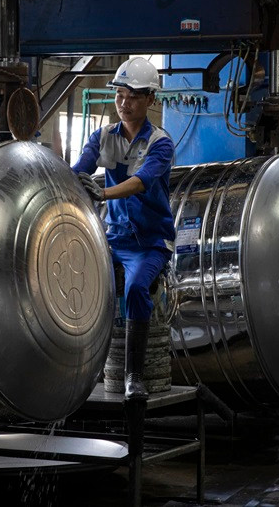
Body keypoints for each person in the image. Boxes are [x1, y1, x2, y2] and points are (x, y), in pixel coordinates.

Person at [72, 57, 174, 400]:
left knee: (134, 289)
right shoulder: (102, 137)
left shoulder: (160, 143)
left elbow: (141, 182)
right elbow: (77, 173)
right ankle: (82, 367)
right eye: (119, 95)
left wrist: (100, 192)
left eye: (132, 96)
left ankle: (133, 376)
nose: (123, 103)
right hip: (112, 238)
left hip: (149, 241)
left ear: (150, 100)